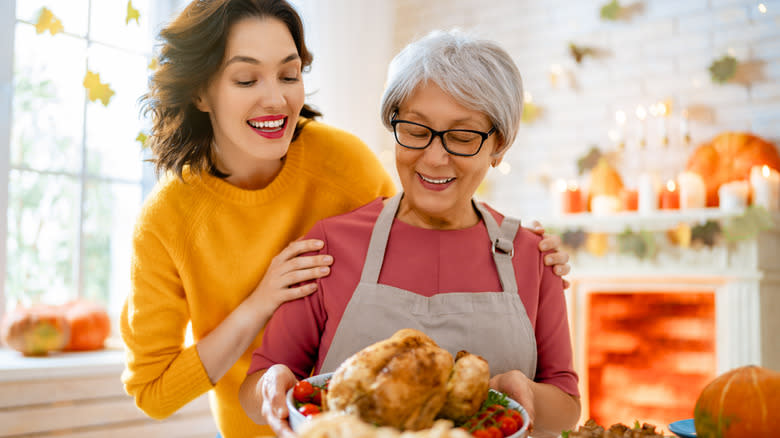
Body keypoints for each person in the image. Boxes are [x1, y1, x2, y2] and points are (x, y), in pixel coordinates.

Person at [120, 1, 571, 437]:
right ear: (200, 92)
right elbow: (157, 392)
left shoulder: (340, 162)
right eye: (245, 78)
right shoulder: (170, 220)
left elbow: (421, 217)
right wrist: (259, 305)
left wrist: (521, 248)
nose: (275, 98)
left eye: (289, 74)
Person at [240, 29, 581, 438]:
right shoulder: (332, 244)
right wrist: (271, 382)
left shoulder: (531, 255)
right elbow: (260, 384)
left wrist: (521, 391)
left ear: (499, 145)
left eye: (462, 137)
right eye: (416, 131)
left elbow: (566, 405)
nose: (435, 158)